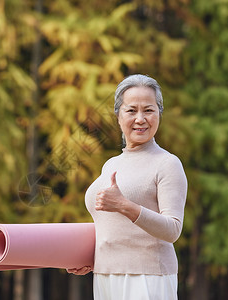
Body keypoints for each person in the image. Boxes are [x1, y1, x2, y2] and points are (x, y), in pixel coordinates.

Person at [67, 74, 188, 300]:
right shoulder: (111, 164)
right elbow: (111, 228)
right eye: (131, 110)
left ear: (159, 114)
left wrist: (124, 205)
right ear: (118, 116)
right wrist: (88, 257)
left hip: (148, 278)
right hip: (105, 276)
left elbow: (172, 230)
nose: (140, 119)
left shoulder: (168, 163)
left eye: (149, 110)